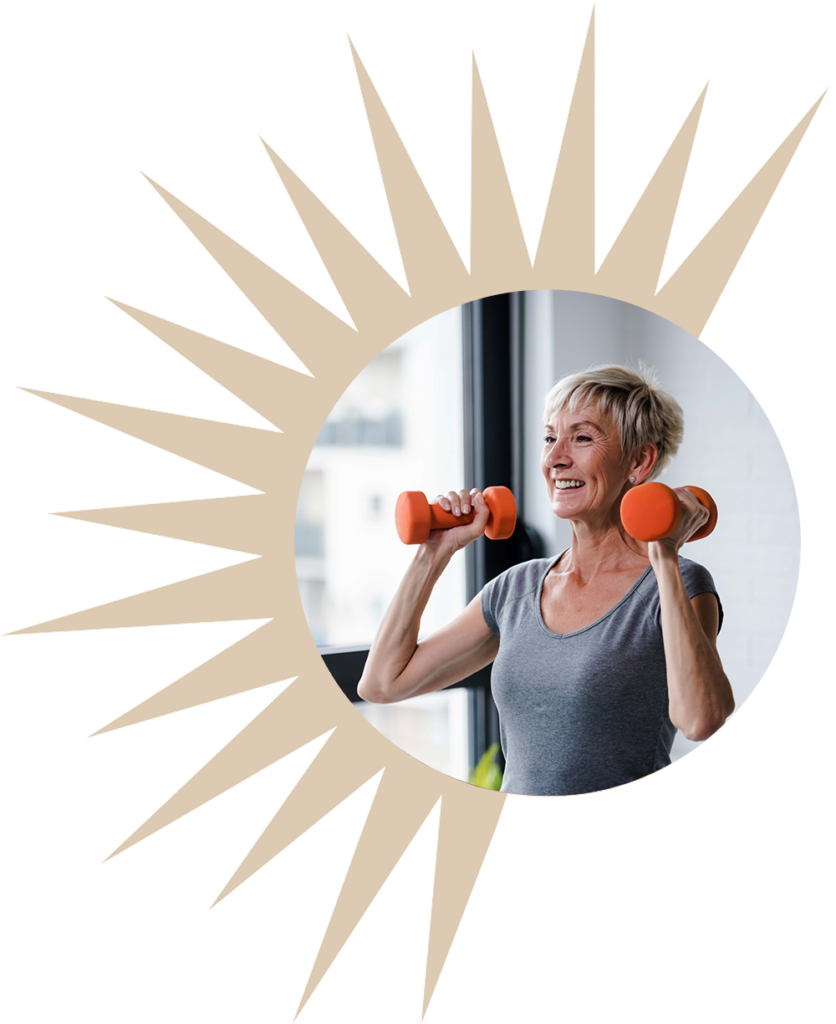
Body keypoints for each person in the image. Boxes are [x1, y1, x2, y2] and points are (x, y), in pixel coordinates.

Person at [357, 364, 734, 796]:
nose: (556, 458)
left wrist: (663, 552)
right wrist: (433, 553)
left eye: (583, 437)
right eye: (550, 437)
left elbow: (701, 719)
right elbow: (382, 684)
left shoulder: (680, 584)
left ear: (639, 461)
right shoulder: (515, 589)